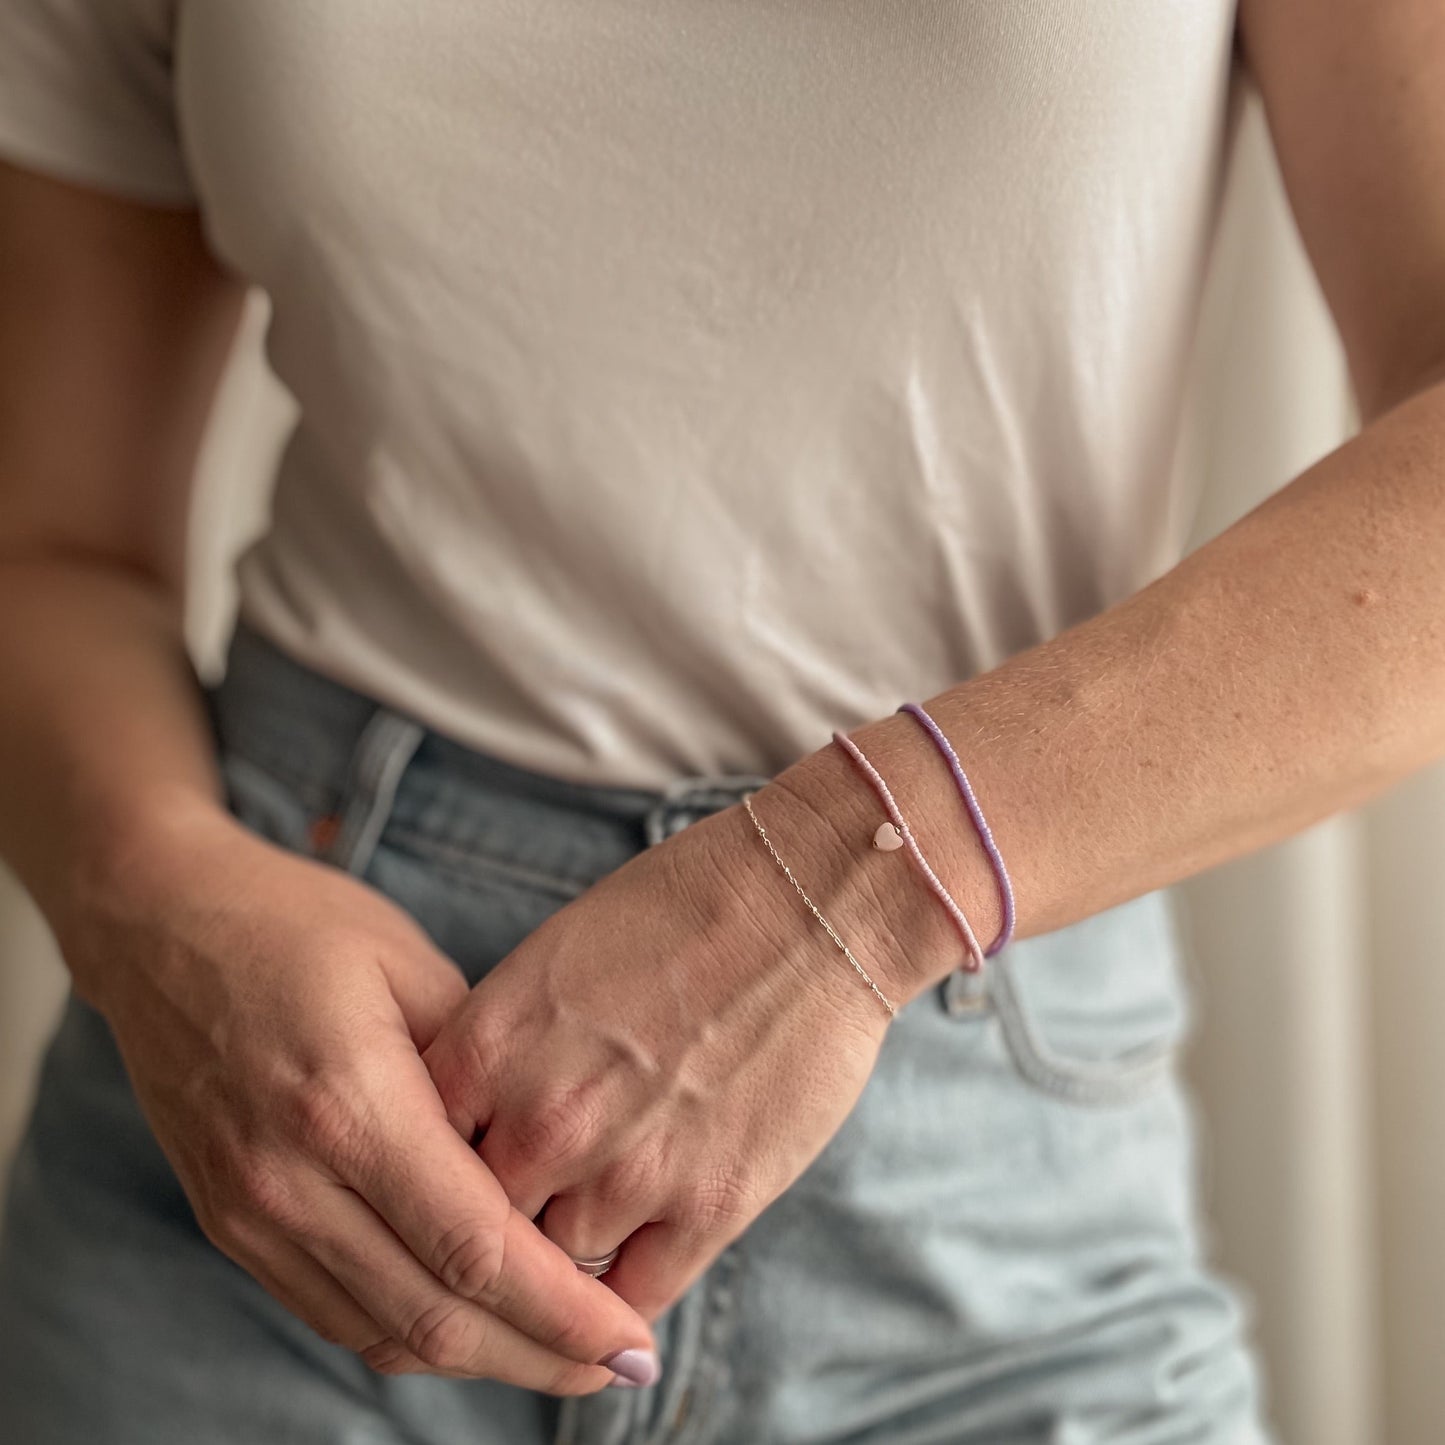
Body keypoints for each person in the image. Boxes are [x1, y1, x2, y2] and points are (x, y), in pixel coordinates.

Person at [2, 1, 1443, 1441]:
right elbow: (50, 540)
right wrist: (155, 901)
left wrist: (850, 885)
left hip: (976, 1176)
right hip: (283, 1128)